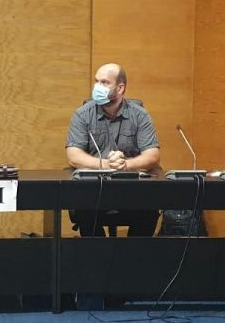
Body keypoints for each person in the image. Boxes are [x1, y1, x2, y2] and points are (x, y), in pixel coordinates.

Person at [65, 63, 161, 237]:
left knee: (149, 209)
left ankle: (136, 252)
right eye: (96, 81)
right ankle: (97, 252)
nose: (97, 87)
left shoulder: (140, 115)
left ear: (120, 88)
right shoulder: (82, 114)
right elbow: (73, 155)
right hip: (94, 190)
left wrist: (126, 165)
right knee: (83, 208)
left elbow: (152, 156)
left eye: (104, 82)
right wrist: (106, 164)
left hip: (133, 190)